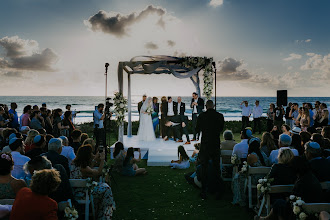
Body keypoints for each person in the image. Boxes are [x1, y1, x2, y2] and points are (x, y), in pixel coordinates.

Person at [256, 156, 323, 220]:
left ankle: (265, 219)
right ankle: (266, 218)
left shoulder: (301, 182)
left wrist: (288, 199)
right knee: (280, 203)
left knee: (278, 203)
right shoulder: (311, 177)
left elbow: (291, 202)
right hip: (314, 208)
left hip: (302, 210)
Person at [70, 144, 115, 219]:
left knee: (103, 187)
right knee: (107, 189)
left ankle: (100, 211)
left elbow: (89, 169)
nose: (92, 154)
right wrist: (102, 160)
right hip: (84, 193)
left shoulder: (75, 163)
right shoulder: (83, 167)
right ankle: (105, 215)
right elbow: (98, 173)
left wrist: (94, 159)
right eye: (90, 153)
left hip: (77, 191)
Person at [196, 100, 224, 199]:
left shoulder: (202, 116)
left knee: (204, 168)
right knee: (217, 168)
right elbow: (221, 129)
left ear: (205, 106)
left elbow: (197, 129)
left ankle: (204, 191)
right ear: (214, 106)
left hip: (205, 145)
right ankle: (218, 191)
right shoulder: (220, 116)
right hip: (215, 144)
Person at [232, 138, 270, 206]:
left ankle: (240, 198)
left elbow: (248, 169)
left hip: (255, 179)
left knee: (237, 177)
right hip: (264, 178)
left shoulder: (251, 156)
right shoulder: (264, 154)